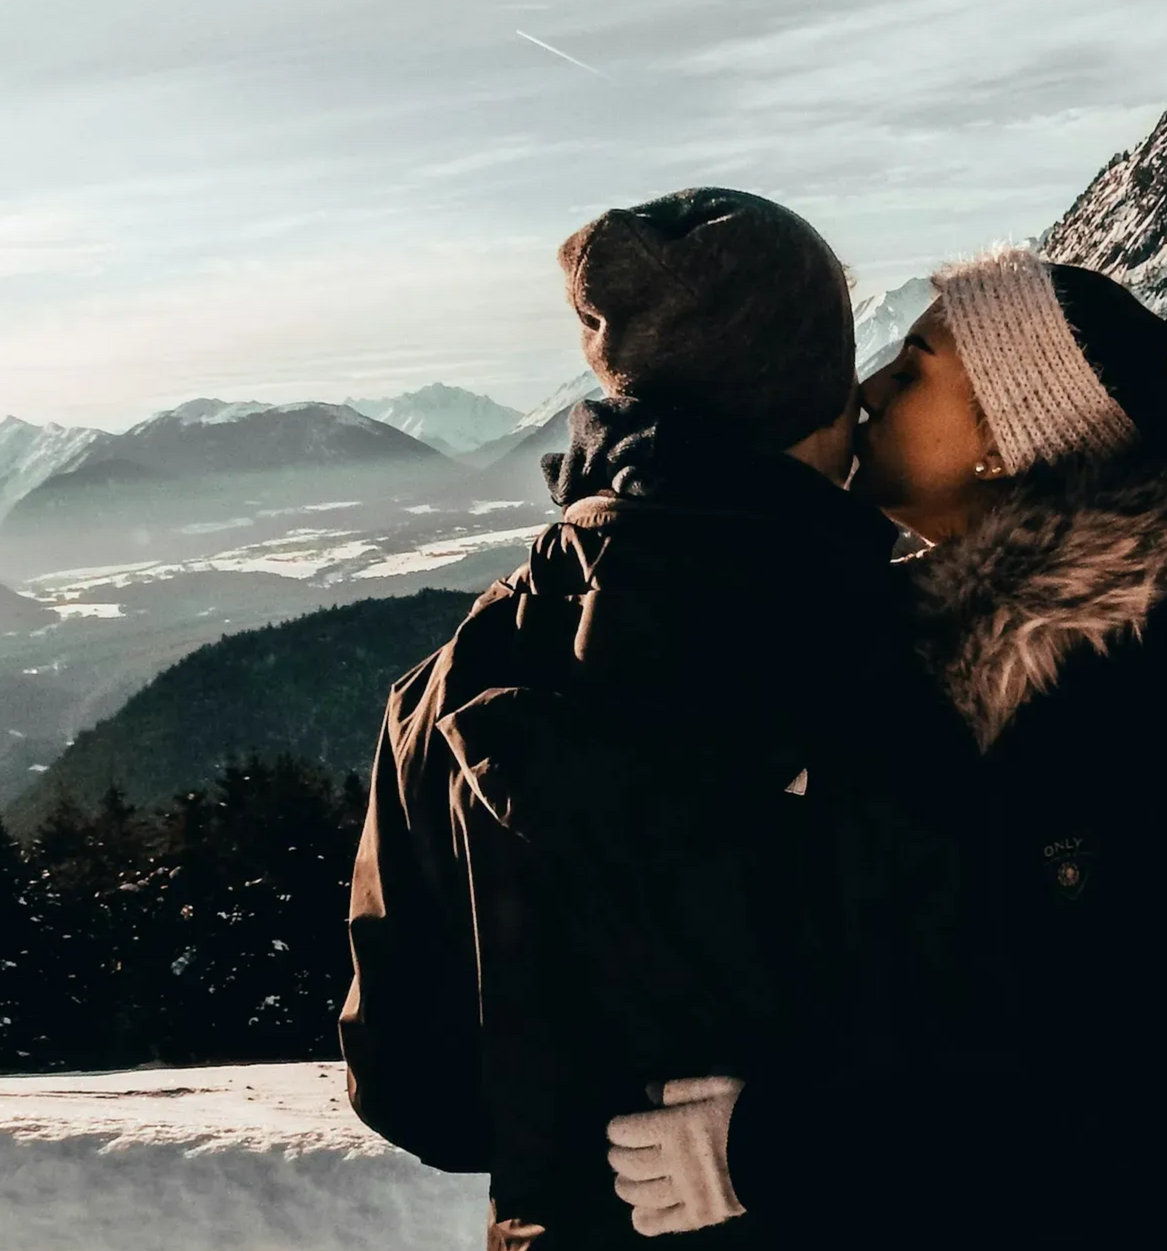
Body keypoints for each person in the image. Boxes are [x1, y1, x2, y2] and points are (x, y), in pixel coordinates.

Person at [623, 246, 1167, 1245]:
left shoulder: (1137, 701)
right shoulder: (996, 669)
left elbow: (1127, 1090)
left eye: (913, 367)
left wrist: (766, 1149)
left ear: (1003, 437)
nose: (867, 389)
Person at [339, 187, 975, 1249]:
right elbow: (1027, 1041)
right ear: (816, 399)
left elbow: (417, 1092)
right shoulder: (926, 655)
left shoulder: (449, 684)